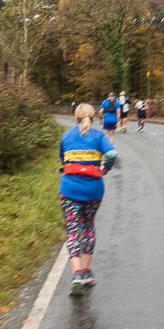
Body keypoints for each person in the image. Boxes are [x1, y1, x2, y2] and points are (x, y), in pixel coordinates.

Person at [59, 103, 117, 294]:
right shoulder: (100, 136)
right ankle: (86, 271)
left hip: (69, 190)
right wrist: (105, 169)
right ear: (93, 119)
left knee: (73, 229)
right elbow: (112, 153)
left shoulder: (66, 136)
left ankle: (76, 275)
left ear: (75, 118)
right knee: (88, 226)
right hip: (94, 191)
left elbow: (63, 160)